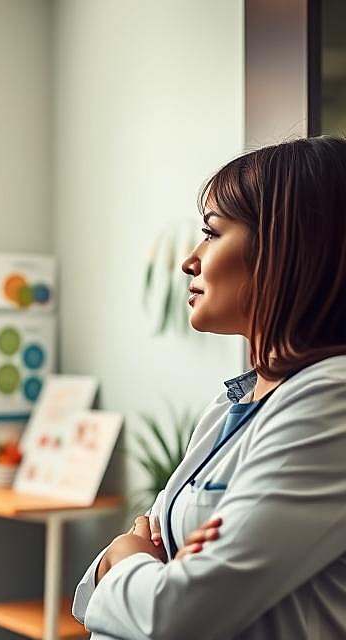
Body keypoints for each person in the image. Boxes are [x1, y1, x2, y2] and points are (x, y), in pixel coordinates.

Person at [72, 136, 346, 639]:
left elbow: (176, 616)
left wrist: (132, 561)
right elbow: (111, 585)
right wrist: (138, 563)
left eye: (212, 233)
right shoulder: (235, 402)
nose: (190, 261)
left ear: (287, 245)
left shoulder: (333, 400)